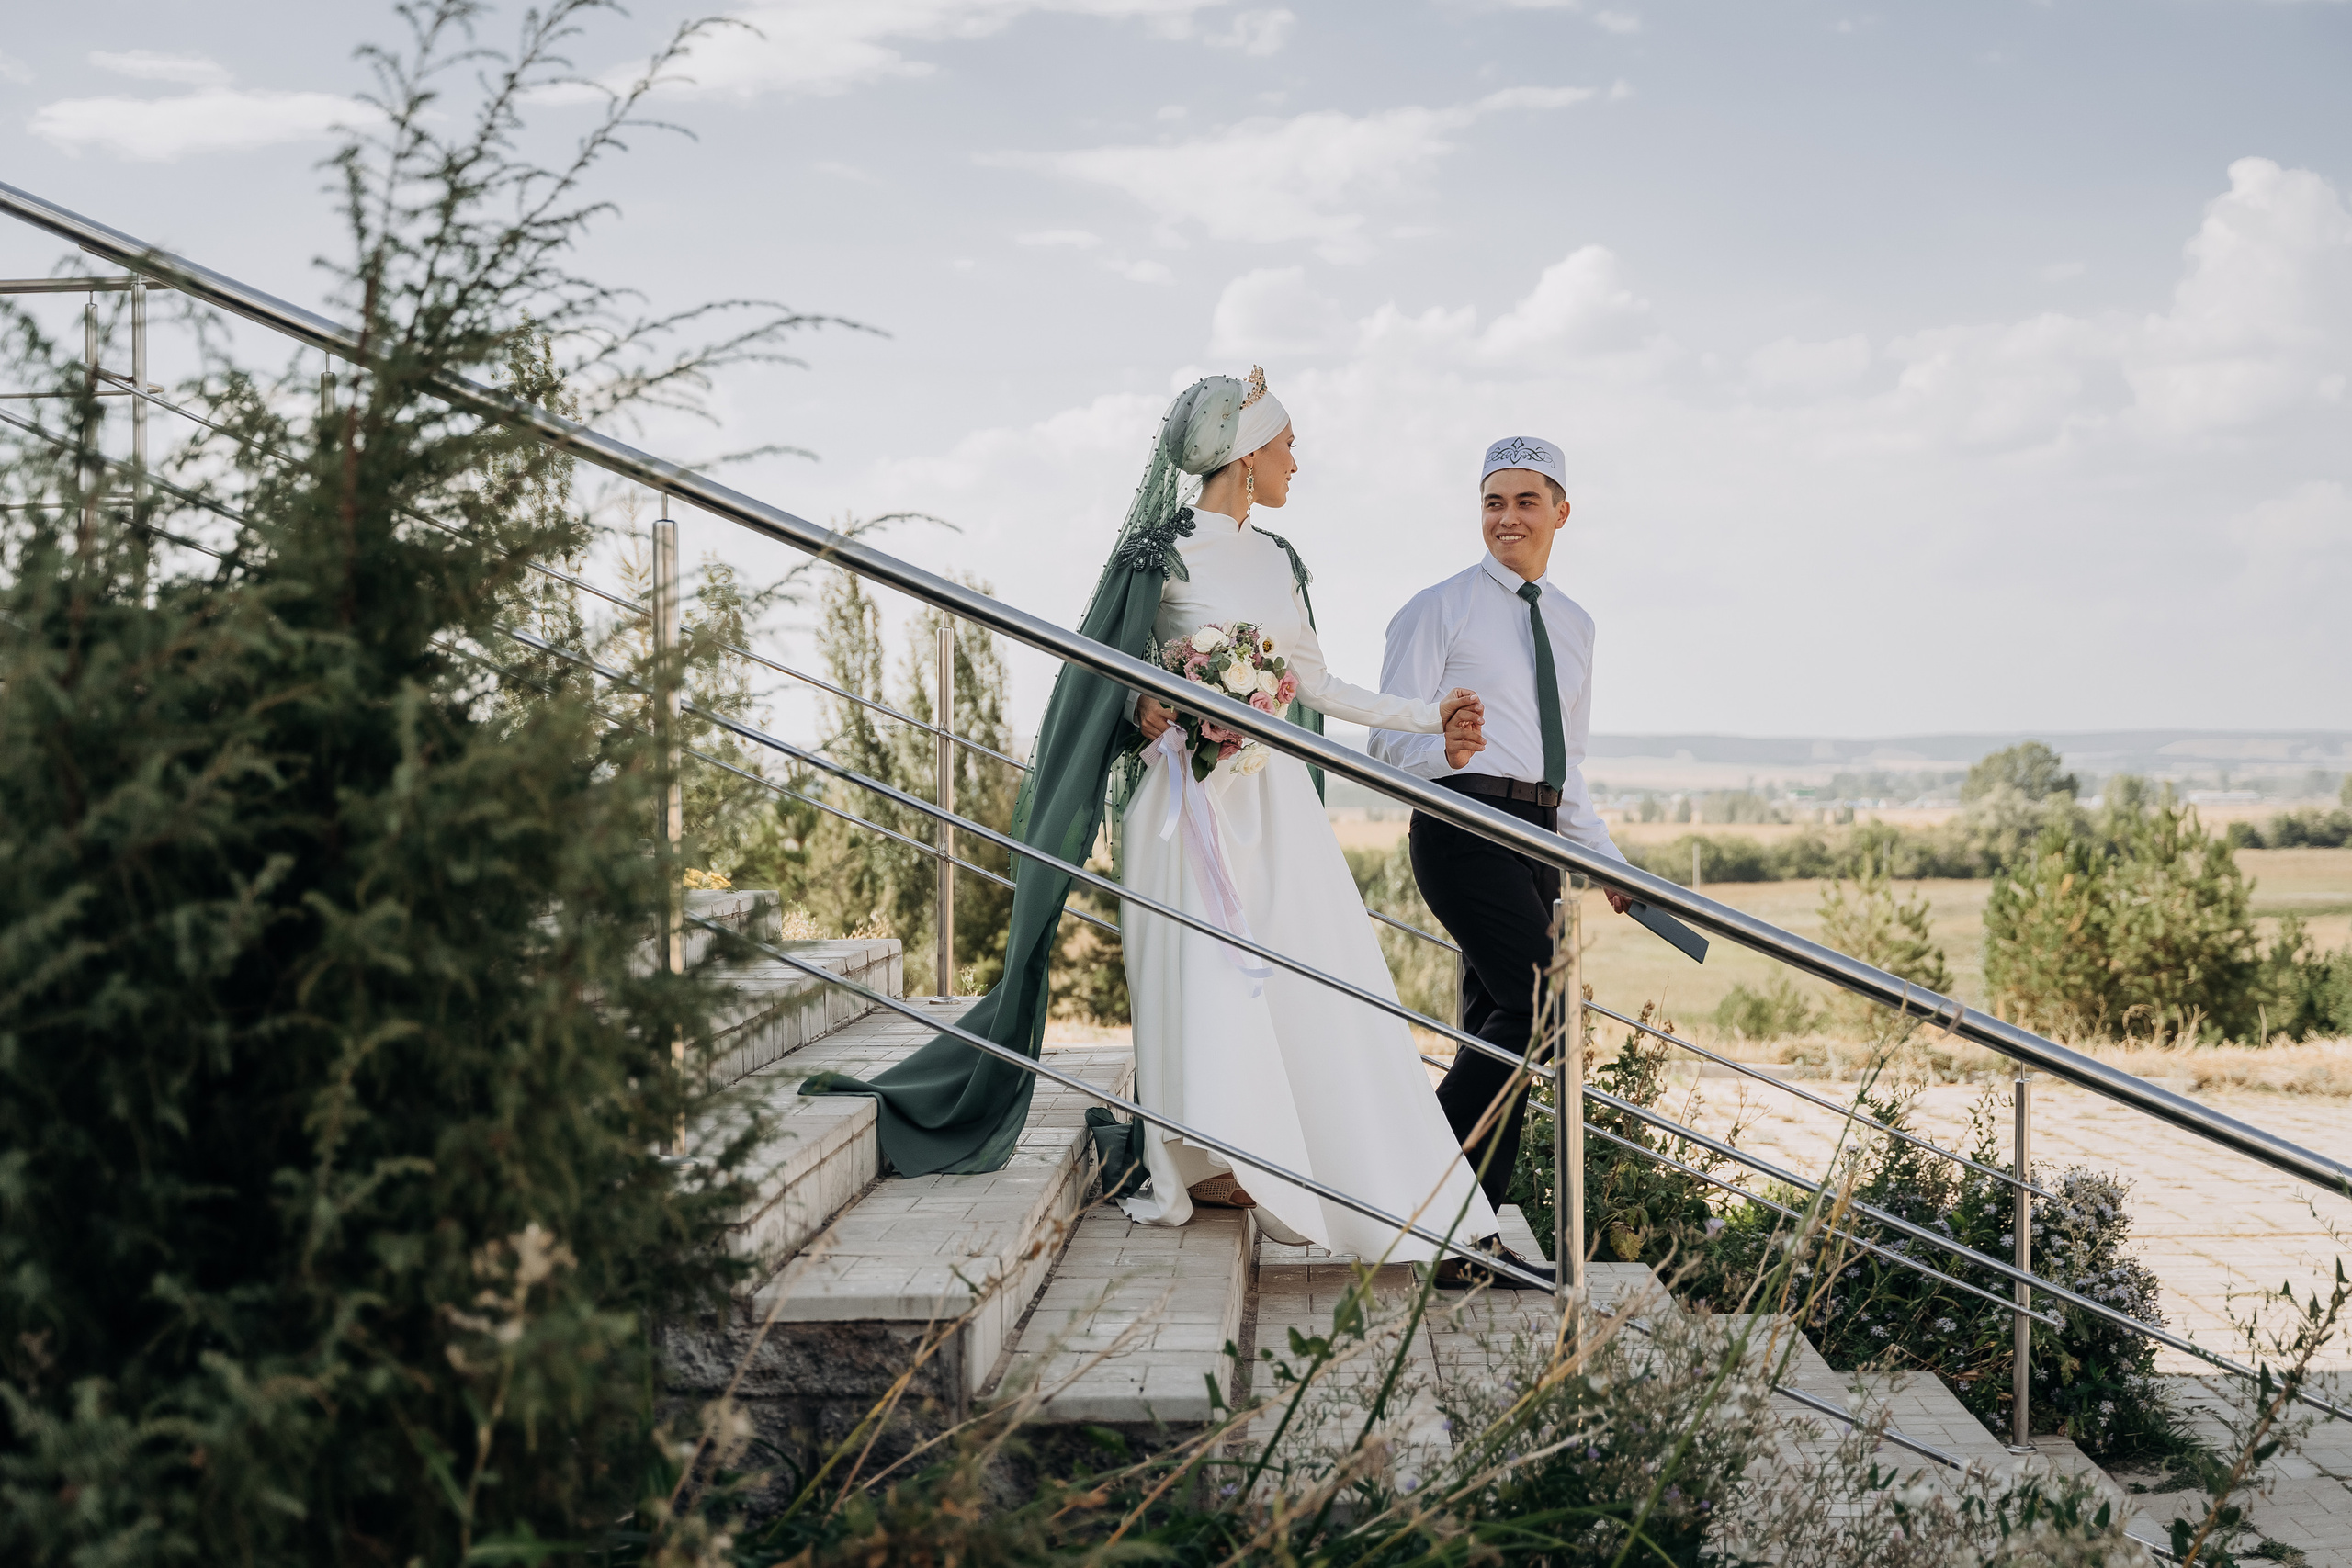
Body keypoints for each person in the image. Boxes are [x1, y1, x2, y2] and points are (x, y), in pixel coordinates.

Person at [810, 369, 1505, 1276]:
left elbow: (1320, 687)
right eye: (1287, 443)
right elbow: (1096, 675)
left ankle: (1300, 1163)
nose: (1297, 459)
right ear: (1245, 453)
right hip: (1182, 807)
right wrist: (1143, 702)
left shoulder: (1279, 561)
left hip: (1272, 808)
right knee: (1199, 985)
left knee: (1305, 983)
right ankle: (1203, 1159)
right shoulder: (1159, 551)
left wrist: (1428, 713)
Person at [1371, 436, 1633, 1261]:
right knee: (1536, 1009)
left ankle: (1466, 1235)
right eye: (1493, 502)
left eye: (1525, 501)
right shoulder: (1436, 608)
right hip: (1462, 826)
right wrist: (1442, 751)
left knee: (1498, 1023)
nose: (1507, 518)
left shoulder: (1576, 625)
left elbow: (1567, 769)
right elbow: (1385, 739)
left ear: (1560, 511)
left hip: (1540, 842)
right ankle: (1426, 1198)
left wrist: (1610, 865)